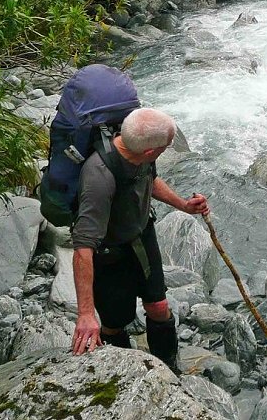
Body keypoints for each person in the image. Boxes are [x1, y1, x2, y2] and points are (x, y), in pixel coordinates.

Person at [70, 107, 209, 373]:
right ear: (149, 151)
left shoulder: (139, 152)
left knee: (159, 306)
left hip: (142, 235)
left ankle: (168, 370)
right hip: (108, 255)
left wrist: (183, 205)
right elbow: (83, 248)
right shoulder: (98, 177)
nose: (166, 150)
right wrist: (85, 314)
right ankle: (126, 373)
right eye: (166, 147)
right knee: (114, 322)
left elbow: (150, 180)